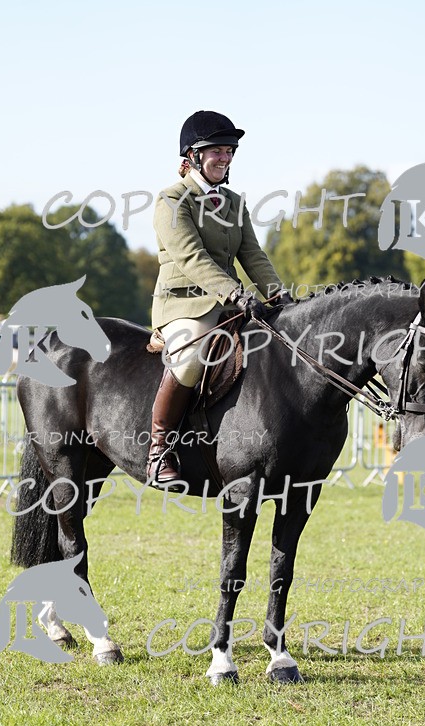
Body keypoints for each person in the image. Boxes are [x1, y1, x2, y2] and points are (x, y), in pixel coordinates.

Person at [147, 110, 292, 486]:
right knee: (190, 359)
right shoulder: (171, 200)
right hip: (184, 304)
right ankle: (158, 449)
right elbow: (191, 257)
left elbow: (253, 256)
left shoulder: (232, 202)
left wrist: (279, 296)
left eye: (230, 151)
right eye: (217, 151)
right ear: (193, 156)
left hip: (231, 304)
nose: (225, 158)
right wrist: (236, 292)